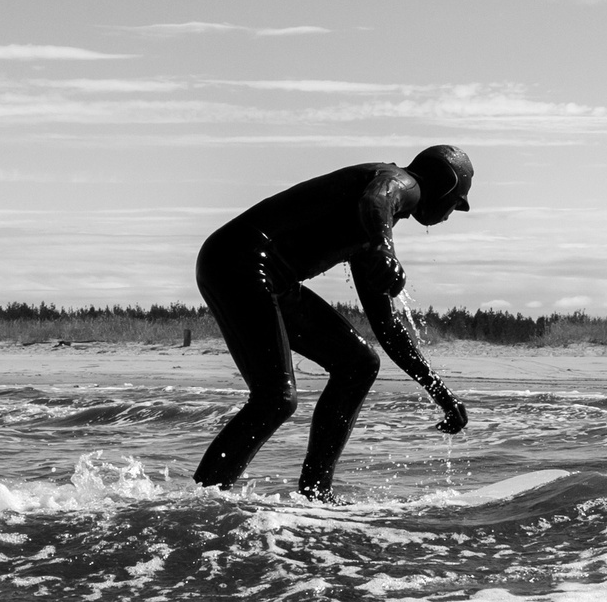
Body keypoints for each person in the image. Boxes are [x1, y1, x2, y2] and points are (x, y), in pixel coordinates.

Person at [191, 146, 473, 498]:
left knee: (359, 363)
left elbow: (387, 329)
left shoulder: (371, 232)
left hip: (260, 272)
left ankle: (316, 493)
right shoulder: (400, 183)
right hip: (240, 261)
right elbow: (378, 198)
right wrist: (386, 250)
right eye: (457, 201)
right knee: (276, 398)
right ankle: (203, 499)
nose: (452, 213)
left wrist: (440, 393)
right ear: (445, 185)